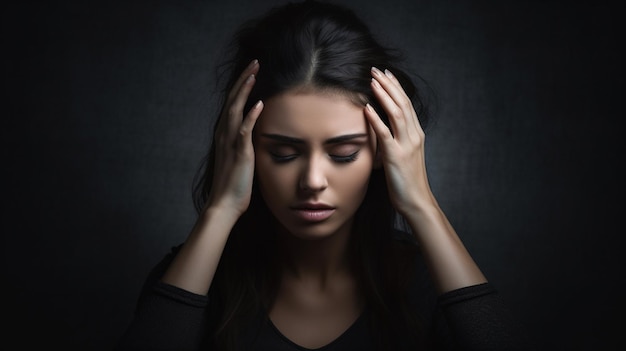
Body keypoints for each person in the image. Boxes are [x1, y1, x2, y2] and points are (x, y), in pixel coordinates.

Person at [116, 1, 531, 350]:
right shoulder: (196, 278)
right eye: (282, 152)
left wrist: (421, 204)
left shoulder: (428, 282)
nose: (312, 180)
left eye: (344, 153)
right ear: (242, 148)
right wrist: (220, 208)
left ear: (384, 151)